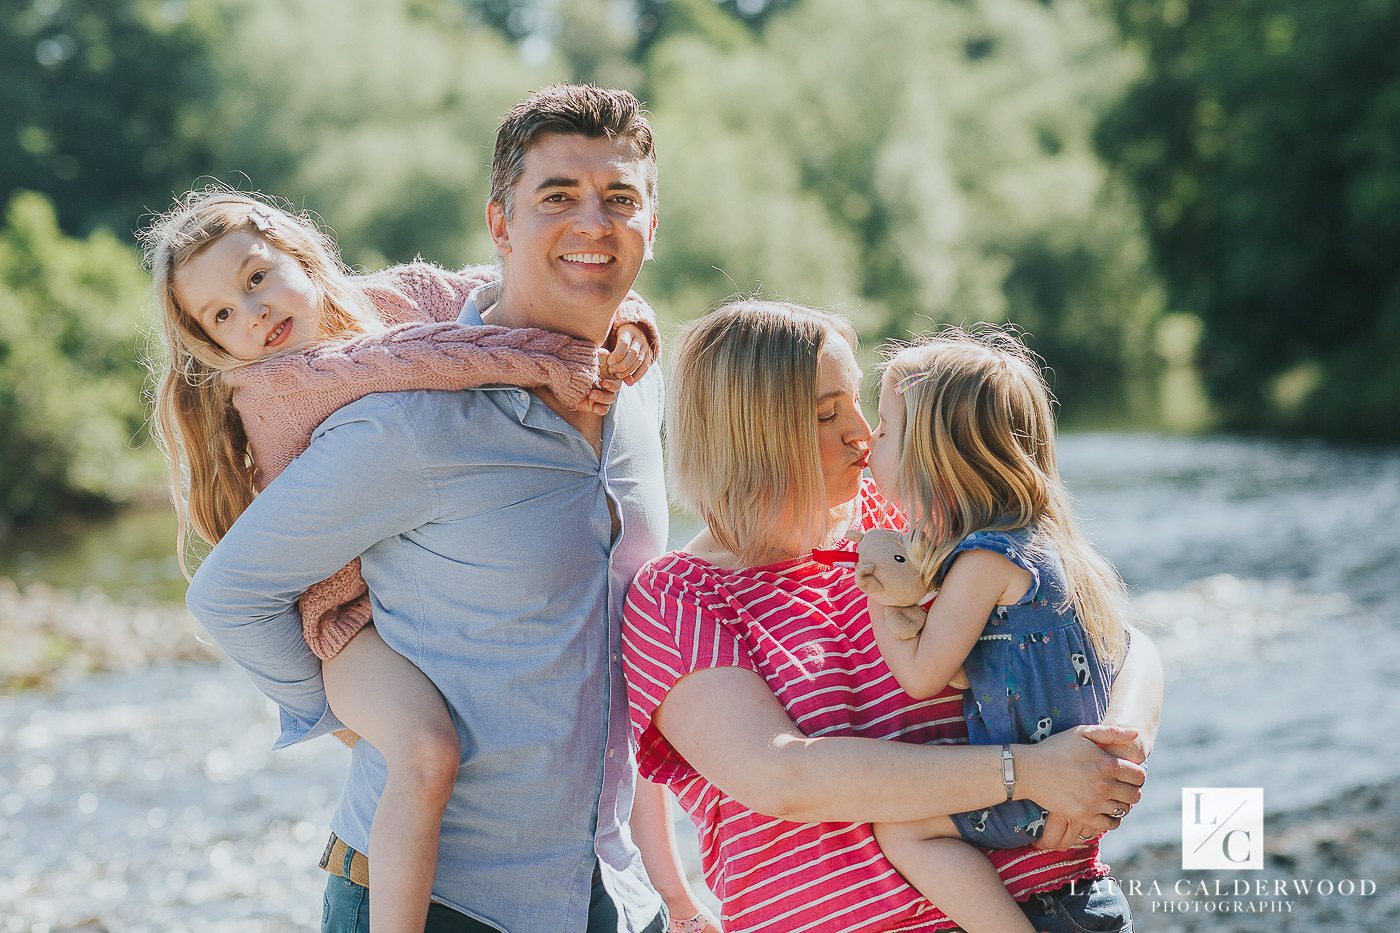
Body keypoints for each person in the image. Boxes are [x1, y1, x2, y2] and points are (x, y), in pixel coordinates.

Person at [184, 85, 711, 931]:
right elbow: (229, 594)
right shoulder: (403, 420)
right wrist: (348, 720)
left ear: (652, 222)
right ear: (500, 226)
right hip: (442, 901)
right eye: (557, 198)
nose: (593, 222)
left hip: (611, 889)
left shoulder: (639, 386)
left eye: (620, 198)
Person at [622, 301, 1163, 933]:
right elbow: (783, 775)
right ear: (746, 434)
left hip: (1057, 910)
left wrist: (1108, 758)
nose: (859, 431)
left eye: (860, 403)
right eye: (826, 413)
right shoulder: (679, 597)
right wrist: (1030, 771)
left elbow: (1121, 643)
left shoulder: (912, 513)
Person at [861, 329, 1133, 933]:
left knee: (903, 826)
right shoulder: (1044, 543)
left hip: (1041, 790)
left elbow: (921, 676)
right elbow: (988, 666)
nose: (868, 443)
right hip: (1070, 782)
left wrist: (880, 587)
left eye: (883, 430)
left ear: (934, 459)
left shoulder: (982, 563)